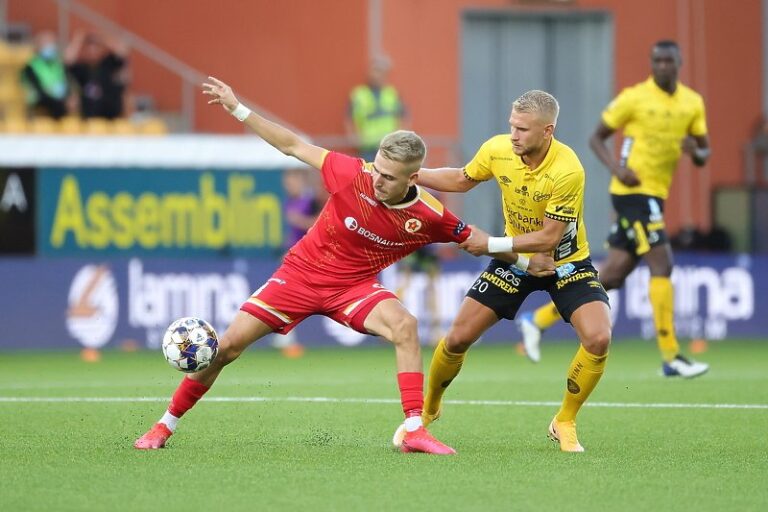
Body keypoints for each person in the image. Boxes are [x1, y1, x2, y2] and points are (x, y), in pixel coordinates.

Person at [134, 76, 555, 455]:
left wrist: (523, 259)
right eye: (377, 167)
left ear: (414, 178)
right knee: (226, 348)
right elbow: (292, 144)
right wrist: (238, 107)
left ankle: (413, 429)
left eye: (389, 176)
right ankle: (163, 426)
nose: (377, 179)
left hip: (353, 288)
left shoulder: (429, 215)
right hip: (299, 277)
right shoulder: (351, 172)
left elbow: (477, 242)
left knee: (405, 327)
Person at [393, 90, 612, 453]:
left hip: (566, 262)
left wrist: (490, 244)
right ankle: (428, 411)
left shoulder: (568, 170)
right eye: (512, 126)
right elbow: (463, 178)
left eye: (523, 129)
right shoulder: (498, 149)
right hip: (517, 261)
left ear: (548, 131)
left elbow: (549, 238)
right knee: (459, 337)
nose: (513, 135)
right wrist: (413, 175)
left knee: (599, 338)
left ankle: (565, 420)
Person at [518, 40, 710, 379]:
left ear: (679, 62)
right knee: (662, 262)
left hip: (656, 194)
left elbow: (703, 154)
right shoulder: (634, 98)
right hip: (632, 192)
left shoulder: (692, 103)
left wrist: (694, 150)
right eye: (657, 61)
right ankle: (671, 356)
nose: (663, 66)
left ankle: (538, 320)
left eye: (669, 61)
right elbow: (597, 137)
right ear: (652, 64)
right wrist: (617, 169)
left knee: (615, 273)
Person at [269, 167, 318, 358]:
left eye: (292, 181)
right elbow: (295, 232)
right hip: (294, 255)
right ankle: (285, 335)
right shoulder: (290, 201)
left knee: (288, 293)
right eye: (287, 182)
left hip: (309, 256)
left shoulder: (311, 200)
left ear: (301, 181)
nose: (289, 184)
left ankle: (286, 335)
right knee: (283, 293)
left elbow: (320, 223)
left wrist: (301, 221)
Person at [345, 56, 408, 161]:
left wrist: (399, 139)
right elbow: (348, 119)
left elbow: (404, 117)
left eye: (381, 72)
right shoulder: (358, 94)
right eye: (375, 70)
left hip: (389, 147)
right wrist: (353, 139)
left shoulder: (392, 93)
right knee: (369, 175)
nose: (377, 75)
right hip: (367, 148)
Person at [64, 31, 128, 119]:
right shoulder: (81, 68)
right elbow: (68, 60)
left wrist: (103, 40)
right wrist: (78, 41)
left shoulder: (108, 63)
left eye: (95, 48)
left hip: (111, 114)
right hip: (90, 115)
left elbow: (122, 52)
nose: (92, 52)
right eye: (89, 49)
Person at [21, 31, 71, 119]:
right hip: (38, 103)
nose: (51, 46)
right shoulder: (30, 66)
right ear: (38, 46)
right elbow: (37, 89)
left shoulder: (58, 64)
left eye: (52, 43)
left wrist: (67, 96)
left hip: (58, 101)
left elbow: (66, 83)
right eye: (47, 43)